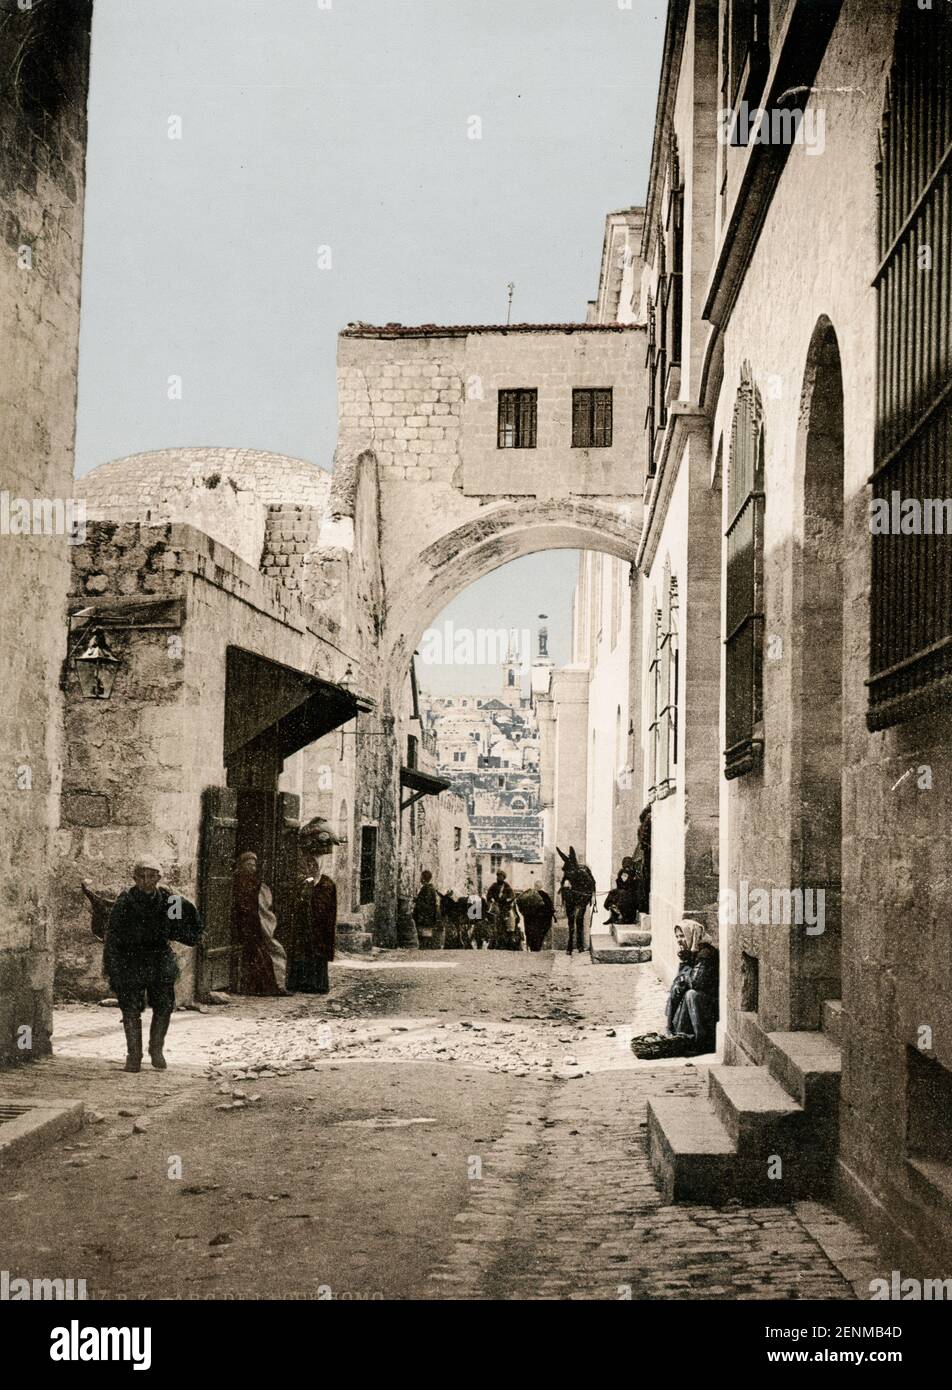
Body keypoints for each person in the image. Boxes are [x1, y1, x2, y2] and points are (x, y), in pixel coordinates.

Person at [103, 856, 202, 1072]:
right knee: (130, 1008)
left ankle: (156, 1050)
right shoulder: (125, 902)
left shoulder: (170, 899)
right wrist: (112, 967)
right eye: (142, 876)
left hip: (159, 959)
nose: (146, 881)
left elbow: (177, 926)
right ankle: (134, 1056)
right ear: (135, 879)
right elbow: (112, 936)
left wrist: (190, 934)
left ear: (159, 877)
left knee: (164, 1006)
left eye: (151, 876)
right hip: (131, 960)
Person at [286, 817, 339, 994]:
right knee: (304, 945)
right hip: (304, 910)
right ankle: (303, 982)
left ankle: (316, 983)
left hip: (318, 913)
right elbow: (301, 879)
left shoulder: (316, 861)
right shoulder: (301, 858)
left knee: (316, 946)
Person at [231, 852, 287, 996]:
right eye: (248, 864)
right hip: (242, 923)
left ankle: (270, 986)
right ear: (241, 865)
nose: (252, 867)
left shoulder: (258, 884)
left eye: (254, 865)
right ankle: (261, 987)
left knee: (268, 953)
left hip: (254, 923)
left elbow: (263, 905)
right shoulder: (235, 882)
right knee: (257, 954)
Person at [667, 920, 719, 1053]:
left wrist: (684, 971)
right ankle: (680, 1035)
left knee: (691, 994)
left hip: (712, 1006)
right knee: (679, 990)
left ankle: (703, 1041)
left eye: (682, 936)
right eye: (677, 937)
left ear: (692, 935)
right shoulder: (693, 953)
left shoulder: (705, 953)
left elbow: (696, 982)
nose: (679, 940)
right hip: (702, 1003)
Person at [516, 881, 555, 952]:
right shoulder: (545, 895)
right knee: (539, 934)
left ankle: (532, 947)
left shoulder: (528, 895)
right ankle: (537, 947)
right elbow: (549, 908)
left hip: (530, 919)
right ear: (541, 887)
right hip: (541, 920)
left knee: (531, 933)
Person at [486, 869, 518, 949]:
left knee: (511, 918)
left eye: (501, 876)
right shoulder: (494, 885)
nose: (499, 878)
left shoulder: (507, 886)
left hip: (505, 907)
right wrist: (491, 899)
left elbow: (512, 895)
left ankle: (511, 936)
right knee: (489, 918)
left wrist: (508, 899)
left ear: (503, 878)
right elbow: (489, 894)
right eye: (498, 876)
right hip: (496, 905)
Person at [414, 869, 441, 948]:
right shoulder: (430, 888)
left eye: (421, 877)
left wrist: (417, 901)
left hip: (425, 916)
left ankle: (425, 947)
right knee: (426, 933)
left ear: (423, 878)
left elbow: (426, 903)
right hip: (428, 915)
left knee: (424, 934)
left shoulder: (427, 889)